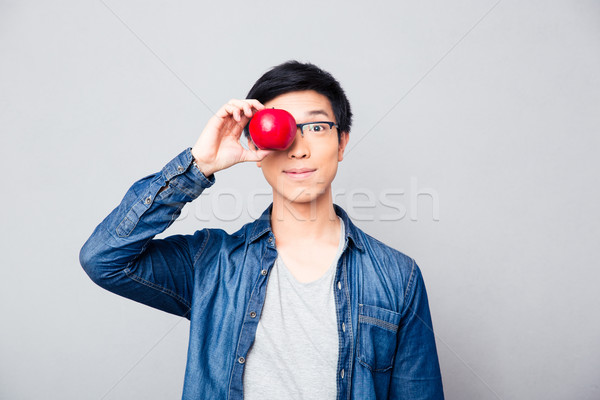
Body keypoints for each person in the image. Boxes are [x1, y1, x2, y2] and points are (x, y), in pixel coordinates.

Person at [79, 60, 444, 399]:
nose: (299, 150)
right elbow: (104, 260)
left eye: (317, 127)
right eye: (282, 130)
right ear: (256, 147)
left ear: (342, 142)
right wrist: (199, 165)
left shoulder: (398, 277)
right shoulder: (212, 263)